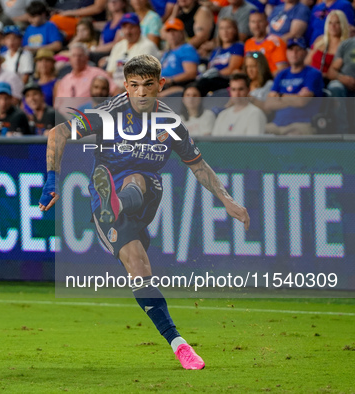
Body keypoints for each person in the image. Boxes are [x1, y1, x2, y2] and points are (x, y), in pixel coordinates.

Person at [38, 54, 250, 370]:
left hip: (147, 195)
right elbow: (58, 133)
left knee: (139, 178)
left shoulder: (170, 123)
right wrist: (51, 179)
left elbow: (199, 166)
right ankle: (180, 347)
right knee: (139, 269)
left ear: (160, 85)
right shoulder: (108, 114)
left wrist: (227, 199)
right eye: (134, 85)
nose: (140, 93)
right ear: (125, 85)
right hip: (104, 200)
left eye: (148, 85)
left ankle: (120, 203)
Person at [265, 38, 324, 135]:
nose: (294, 53)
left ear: (305, 53)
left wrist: (280, 96)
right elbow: (269, 104)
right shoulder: (281, 74)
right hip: (277, 124)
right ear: (287, 52)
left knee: (291, 139)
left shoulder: (313, 73)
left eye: (298, 49)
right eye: (291, 50)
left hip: (302, 123)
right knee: (258, 133)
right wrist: (295, 98)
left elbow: (302, 102)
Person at [106, 13, 161, 87]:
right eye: (125, 27)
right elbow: (109, 72)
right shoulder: (118, 46)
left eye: (131, 27)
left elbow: (141, 78)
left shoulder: (148, 46)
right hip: (115, 88)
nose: (128, 32)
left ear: (139, 28)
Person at [196, 17, 244, 96]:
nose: (225, 32)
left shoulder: (238, 46)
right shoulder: (216, 51)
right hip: (212, 80)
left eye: (228, 28)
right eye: (221, 28)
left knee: (202, 85)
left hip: (226, 80)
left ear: (235, 30)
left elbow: (232, 69)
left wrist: (217, 73)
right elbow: (209, 68)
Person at [159, 18, 200, 96]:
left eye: (175, 31)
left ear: (182, 33)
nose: (172, 34)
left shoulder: (187, 49)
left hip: (179, 86)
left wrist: (170, 80)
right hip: (163, 85)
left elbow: (191, 73)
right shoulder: (167, 52)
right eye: (169, 31)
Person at [306, 10, 349, 82]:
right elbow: (307, 62)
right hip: (310, 78)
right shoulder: (319, 40)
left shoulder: (346, 45)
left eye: (337, 22)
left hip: (329, 81)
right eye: (330, 23)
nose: (333, 26)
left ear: (342, 24)